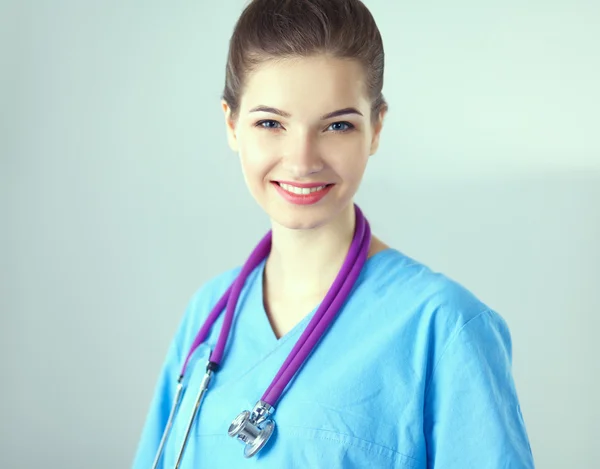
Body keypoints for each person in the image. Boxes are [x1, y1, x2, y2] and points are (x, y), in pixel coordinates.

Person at [131, 0, 535, 467]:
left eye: (337, 125)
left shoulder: (443, 328)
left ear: (377, 128)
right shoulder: (210, 314)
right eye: (270, 123)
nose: (302, 160)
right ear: (231, 124)